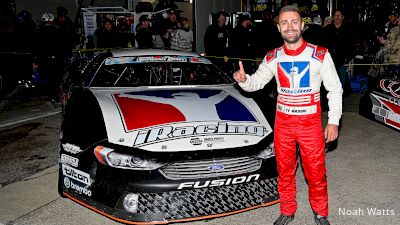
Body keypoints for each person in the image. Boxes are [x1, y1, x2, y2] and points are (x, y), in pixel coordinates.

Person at [233, 5, 342, 225]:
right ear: (278, 27)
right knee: (284, 170)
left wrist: (333, 121)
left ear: (302, 25)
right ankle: (287, 210)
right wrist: (244, 81)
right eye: (284, 22)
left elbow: (334, 89)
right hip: (283, 122)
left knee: (316, 172)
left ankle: (321, 213)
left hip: (310, 122)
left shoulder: (320, 54)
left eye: (294, 22)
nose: (289, 27)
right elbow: (256, 83)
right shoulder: (273, 56)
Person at [323, 9, 353, 94]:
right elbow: (321, 41)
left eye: (339, 15)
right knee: (329, 78)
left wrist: (349, 57)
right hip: (329, 58)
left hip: (342, 59)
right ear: (333, 17)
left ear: (343, 17)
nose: (337, 17)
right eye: (336, 15)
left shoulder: (347, 30)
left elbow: (351, 44)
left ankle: (340, 95)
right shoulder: (327, 29)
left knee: (342, 77)